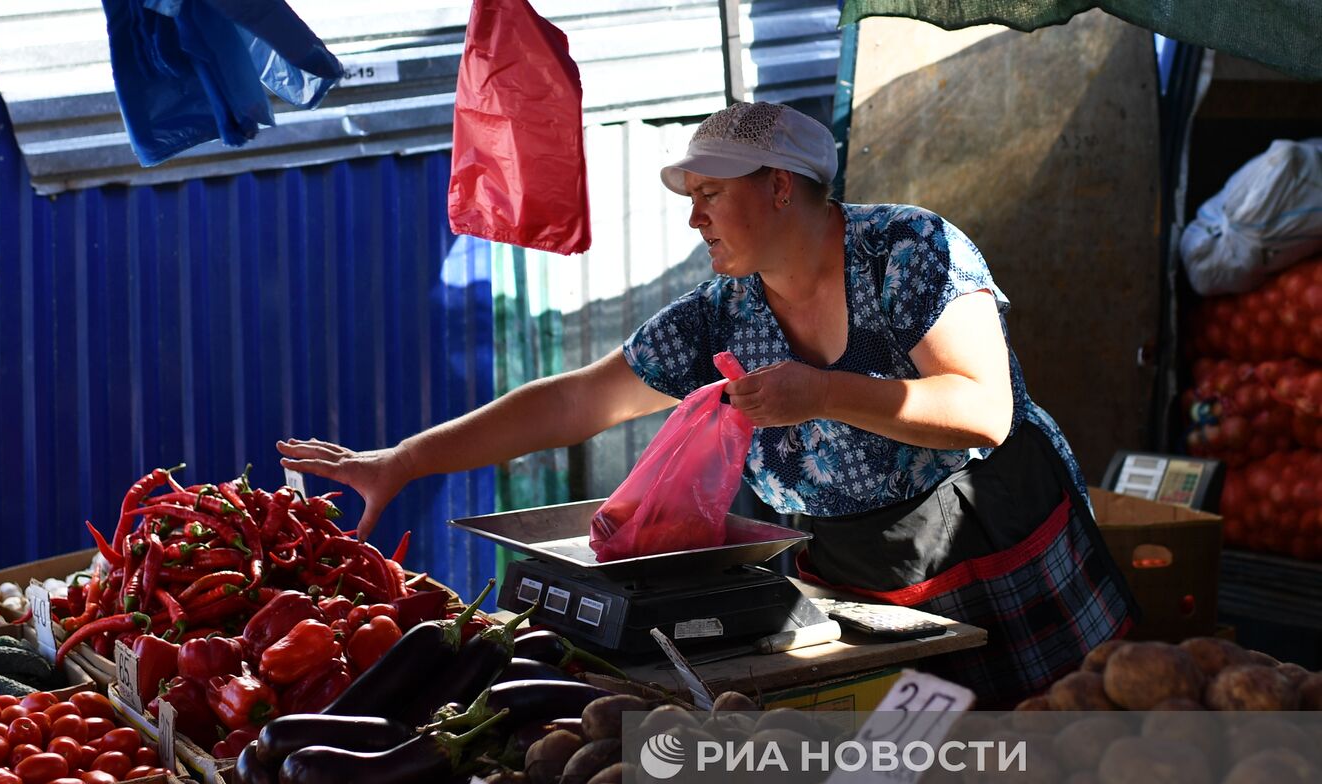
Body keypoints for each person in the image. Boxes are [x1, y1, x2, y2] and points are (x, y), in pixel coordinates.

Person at [279, 101, 1137, 706]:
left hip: (996, 540)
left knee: (1080, 752)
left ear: (779, 186)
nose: (695, 220)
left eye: (709, 195)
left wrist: (821, 394)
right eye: (691, 199)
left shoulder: (907, 251)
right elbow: (581, 399)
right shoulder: (725, 312)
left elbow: (982, 409)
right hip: (857, 580)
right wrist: (406, 458)